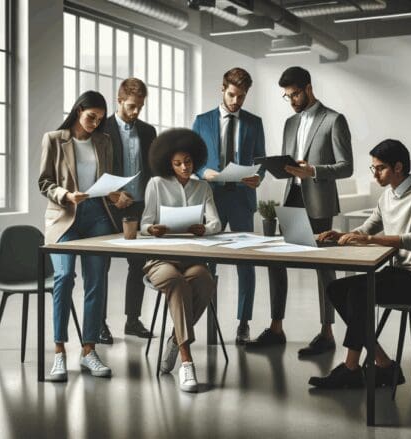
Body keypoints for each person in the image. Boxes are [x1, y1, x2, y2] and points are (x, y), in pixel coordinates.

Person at [309, 140, 411, 388]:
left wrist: (369, 239)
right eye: (372, 168)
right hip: (399, 273)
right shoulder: (387, 197)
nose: (374, 173)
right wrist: (339, 235)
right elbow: (366, 229)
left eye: (380, 168)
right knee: (337, 290)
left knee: (361, 292)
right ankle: (383, 363)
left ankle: (351, 368)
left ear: (398, 167)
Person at [246, 66, 353, 358]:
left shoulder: (334, 120)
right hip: (291, 196)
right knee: (277, 261)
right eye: (287, 96)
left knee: (323, 269)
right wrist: (280, 167)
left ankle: (327, 333)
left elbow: (347, 166)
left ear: (308, 88)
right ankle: (276, 328)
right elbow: (289, 162)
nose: (292, 100)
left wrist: (313, 170)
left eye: (295, 94)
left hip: (319, 201)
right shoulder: (290, 123)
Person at [39, 90, 131, 382]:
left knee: (96, 281)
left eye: (100, 119)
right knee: (64, 278)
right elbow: (44, 182)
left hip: (97, 216)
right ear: (78, 111)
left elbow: (105, 181)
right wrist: (65, 194)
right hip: (65, 218)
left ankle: (89, 350)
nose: (95, 123)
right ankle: (59, 352)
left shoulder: (103, 142)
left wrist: (117, 196)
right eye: (91, 117)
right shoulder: (54, 139)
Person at [141, 128, 222, 393]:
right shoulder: (156, 184)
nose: (184, 167)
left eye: (188, 161)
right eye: (177, 163)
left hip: (191, 257)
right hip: (160, 259)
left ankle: (175, 339)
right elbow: (145, 224)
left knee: (205, 282)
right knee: (176, 282)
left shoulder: (203, 186)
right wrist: (152, 230)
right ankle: (186, 360)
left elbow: (215, 223)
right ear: (168, 163)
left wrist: (205, 229)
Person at [192, 67, 266, 345]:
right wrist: (204, 172)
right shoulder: (202, 121)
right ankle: (209, 320)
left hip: (242, 199)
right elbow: (194, 158)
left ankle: (243, 324)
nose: (236, 101)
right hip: (212, 198)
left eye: (242, 96)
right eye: (232, 94)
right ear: (222, 90)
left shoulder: (254, 123)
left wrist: (258, 177)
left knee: (246, 264)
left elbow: (261, 160)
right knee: (207, 263)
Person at [100, 78, 158, 344]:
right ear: (119, 100)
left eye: (141, 107)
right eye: (132, 106)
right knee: (101, 267)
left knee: (138, 266)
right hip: (108, 206)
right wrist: (111, 195)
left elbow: (153, 170)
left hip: (139, 206)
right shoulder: (102, 129)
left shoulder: (148, 131)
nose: (136, 112)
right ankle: (99, 323)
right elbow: (94, 169)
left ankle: (132, 321)